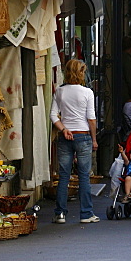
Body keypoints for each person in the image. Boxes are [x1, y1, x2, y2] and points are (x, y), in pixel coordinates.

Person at [50, 58, 100, 224]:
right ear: (81, 73)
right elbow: (91, 119)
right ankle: (86, 213)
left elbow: (52, 115)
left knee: (64, 176)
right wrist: (94, 139)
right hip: (83, 135)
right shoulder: (87, 93)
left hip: (65, 136)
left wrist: (63, 129)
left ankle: (60, 213)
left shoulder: (59, 91)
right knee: (84, 176)